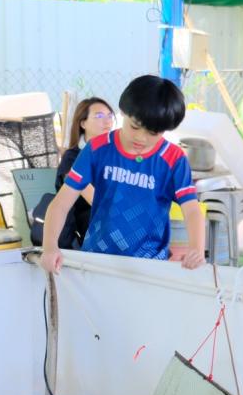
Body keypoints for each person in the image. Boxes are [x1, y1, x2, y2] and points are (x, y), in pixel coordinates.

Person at [40, 76, 205, 273]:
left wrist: (196, 248)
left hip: (149, 266)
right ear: (123, 112)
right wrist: (49, 247)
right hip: (97, 261)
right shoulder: (98, 149)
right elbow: (60, 204)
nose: (141, 138)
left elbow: (192, 209)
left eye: (153, 133)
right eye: (134, 126)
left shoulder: (173, 159)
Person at [53, 96, 115, 249]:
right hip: (89, 224)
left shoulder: (114, 154)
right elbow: (94, 200)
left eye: (110, 116)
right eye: (99, 116)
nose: (107, 121)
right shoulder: (72, 157)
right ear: (83, 123)